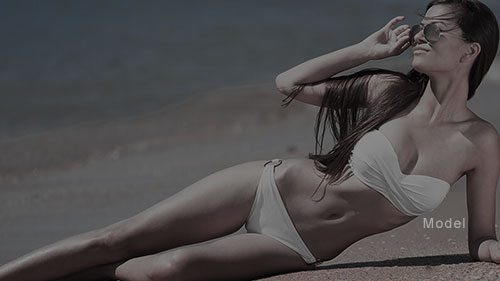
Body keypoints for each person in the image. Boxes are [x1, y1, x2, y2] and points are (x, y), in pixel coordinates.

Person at [1, 0, 500, 280]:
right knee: (115, 239)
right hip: (267, 187)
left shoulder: (479, 141)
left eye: (434, 29)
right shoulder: (388, 89)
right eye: (421, 25)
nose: (419, 35)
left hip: (297, 246)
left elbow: (479, 238)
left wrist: (492, 251)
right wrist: (361, 50)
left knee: (161, 271)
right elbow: (289, 84)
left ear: (469, 50)